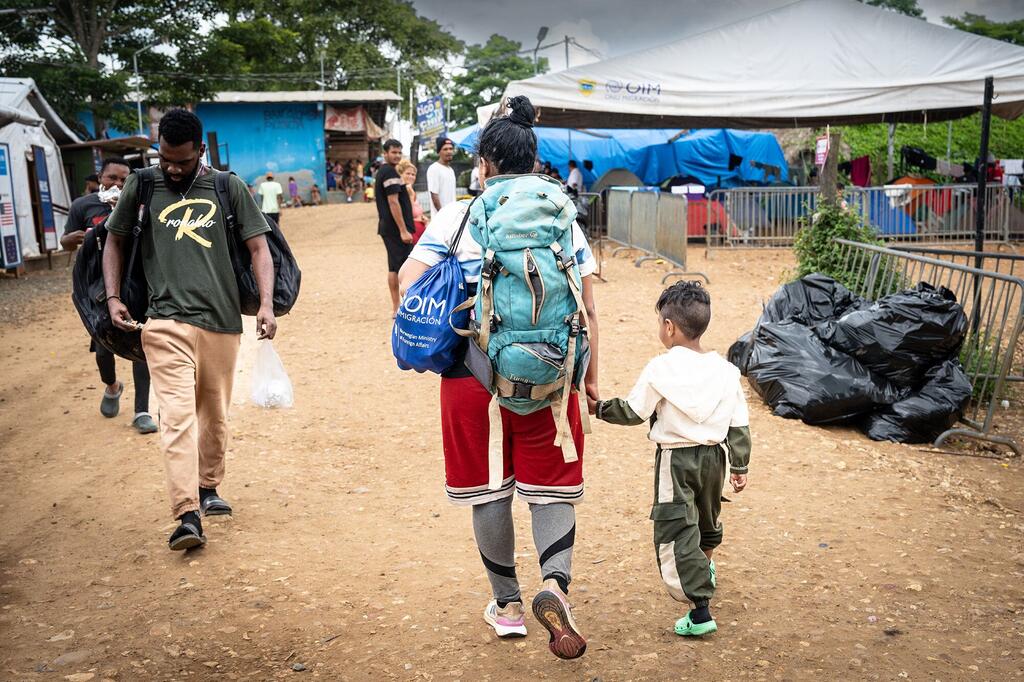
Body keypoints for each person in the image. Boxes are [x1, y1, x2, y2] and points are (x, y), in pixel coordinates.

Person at [398, 96, 600, 661]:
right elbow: (588, 307)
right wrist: (589, 380)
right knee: (552, 487)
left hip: (472, 377)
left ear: (483, 164)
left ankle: (508, 606)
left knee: (489, 490)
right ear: (535, 162)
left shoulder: (457, 215)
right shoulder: (563, 216)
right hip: (552, 377)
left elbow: (411, 286)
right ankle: (555, 587)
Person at [103, 108, 277, 552]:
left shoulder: (226, 186)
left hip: (221, 323)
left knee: (213, 414)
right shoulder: (142, 184)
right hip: (163, 322)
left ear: (201, 150)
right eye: (165, 159)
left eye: (181, 160)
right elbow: (115, 240)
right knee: (176, 417)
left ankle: (209, 486)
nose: (173, 168)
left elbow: (259, 247)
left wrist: (267, 305)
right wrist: (113, 298)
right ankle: (186, 514)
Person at [592, 280, 751, 638]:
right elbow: (739, 423)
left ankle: (700, 611)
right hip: (715, 459)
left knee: (676, 528)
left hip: (674, 462)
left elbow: (634, 411)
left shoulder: (660, 369)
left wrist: (600, 408)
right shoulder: (726, 371)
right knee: (707, 520)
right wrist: (740, 466)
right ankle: (705, 568)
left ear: (669, 327)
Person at [61, 157, 157, 435]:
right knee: (104, 347)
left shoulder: (141, 204)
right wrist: (77, 237)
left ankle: (142, 411)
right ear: (99, 179)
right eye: (111, 178)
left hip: (137, 282)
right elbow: (65, 243)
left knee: (142, 344)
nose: (117, 184)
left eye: (123, 180)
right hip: (97, 288)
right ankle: (112, 386)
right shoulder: (83, 206)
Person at [374, 139, 415, 317]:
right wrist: (403, 230)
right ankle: (403, 308)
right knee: (404, 268)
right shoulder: (389, 172)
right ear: (385, 153)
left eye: (399, 152)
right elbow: (393, 202)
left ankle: (396, 307)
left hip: (388, 229)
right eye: (394, 152)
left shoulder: (386, 171)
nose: (397, 155)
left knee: (393, 268)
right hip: (395, 230)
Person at [396, 159, 428, 243]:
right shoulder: (402, 192)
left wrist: (423, 218)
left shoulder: (411, 190)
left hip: (419, 231)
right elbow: (407, 214)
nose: (411, 176)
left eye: (413, 174)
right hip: (411, 232)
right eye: (408, 173)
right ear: (400, 174)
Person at [426, 136, 456, 217]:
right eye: (445, 149)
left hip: (452, 215)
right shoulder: (434, 168)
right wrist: (442, 215)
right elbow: (434, 194)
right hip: (440, 219)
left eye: (450, 148)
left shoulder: (450, 170)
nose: (449, 151)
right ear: (439, 152)